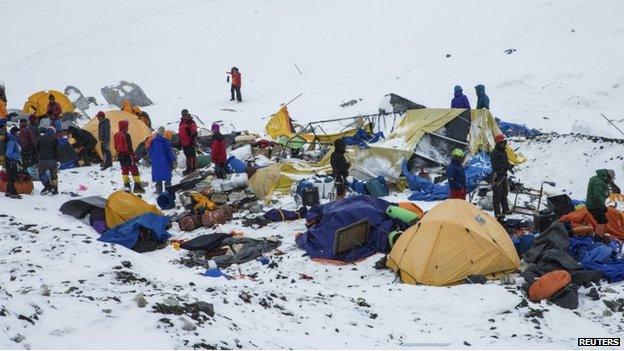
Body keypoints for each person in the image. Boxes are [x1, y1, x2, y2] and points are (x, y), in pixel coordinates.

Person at [114, 120, 145, 193]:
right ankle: (137, 187)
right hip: (127, 155)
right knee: (135, 171)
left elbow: (115, 146)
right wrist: (133, 155)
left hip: (120, 155)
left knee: (124, 170)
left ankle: (127, 186)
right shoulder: (126, 135)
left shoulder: (116, 134)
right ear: (124, 126)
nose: (128, 127)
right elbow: (129, 147)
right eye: (127, 126)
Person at [490, 134, 513, 219]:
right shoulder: (494, 153)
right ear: (499, 143)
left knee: (504, 193)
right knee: (497, 195)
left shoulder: (503, 151)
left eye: (504, 142)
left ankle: (505, 209)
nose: (504, 144)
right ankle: (497, 213)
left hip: (503, 175)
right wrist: (505, 167)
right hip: (497, 176)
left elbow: (504, 162)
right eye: (502, 142)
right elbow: (496, 166)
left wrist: (509, 165)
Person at [586, 169, 614, 237]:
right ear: (607, 176)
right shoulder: (599, 182)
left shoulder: (595, 178)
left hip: (592, 204)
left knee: (601, 220)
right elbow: (597, 195)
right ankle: (598, 237)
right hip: (594, 206)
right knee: (602, 221)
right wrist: (604, 205)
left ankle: (599, 234)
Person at [149, 126, 176, 194]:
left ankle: (159, 192)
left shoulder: (153, 141)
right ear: (164, 133)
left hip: (156, 163)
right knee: (167, 178)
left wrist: (152, 160)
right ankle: (168, 192)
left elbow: (150, 151)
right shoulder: (166, 142)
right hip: (165, 162)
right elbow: (169, 153)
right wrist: (173, 160)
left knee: (158, 178)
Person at [36, 127, 59, 195]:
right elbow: (58, 149)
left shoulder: (41, 138)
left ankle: (47, 186)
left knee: (41, 173)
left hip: (43, 160)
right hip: (53, 160)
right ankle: (55, 189)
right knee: (54, 175)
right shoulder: (55, 138)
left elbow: (37, 148)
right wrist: (58, 160)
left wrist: (40, 154)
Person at [178, 109, 198, 175]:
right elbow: (181, 133)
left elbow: (194, 132)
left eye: (185, 115)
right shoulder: (181, 123)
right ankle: (189, 168)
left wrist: (192, 141)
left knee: (192, 156)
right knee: (188, 156)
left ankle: (194, 169)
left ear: (188, 114)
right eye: (183, 115)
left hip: (190, 143)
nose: (184, 116)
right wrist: (180, 141)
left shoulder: (191, 122)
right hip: (184, 143)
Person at [5, 127, 22, 199]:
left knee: (11, 176)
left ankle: (8, 191)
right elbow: (8, 154)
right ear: (14, 133)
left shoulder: (14, 140)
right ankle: (13, 192)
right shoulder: (11, 142)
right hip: (11, 161)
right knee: (13, 177)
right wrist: (17, 155)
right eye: (17, 132)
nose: (18, 134)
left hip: (11, 161)